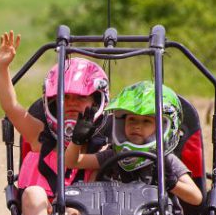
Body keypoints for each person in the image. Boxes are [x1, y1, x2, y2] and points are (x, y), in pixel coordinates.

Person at [0, 30, 109, 215]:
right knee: (34, 192)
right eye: (65, 98)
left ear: (97, 101)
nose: (73, 104)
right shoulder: (41, 138)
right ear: (53, 103)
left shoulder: (104, 145)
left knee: (78, 205)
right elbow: (11, 107)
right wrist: (2, 69)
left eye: (81, 97)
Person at [64, 80, 203, 206]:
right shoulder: (114, 155)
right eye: (132, 120)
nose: (137, 126)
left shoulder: (165, 160)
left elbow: (196, 198)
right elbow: (72, 162)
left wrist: (171, 183)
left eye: (146, 121)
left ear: (161, 128)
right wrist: (77, 140)